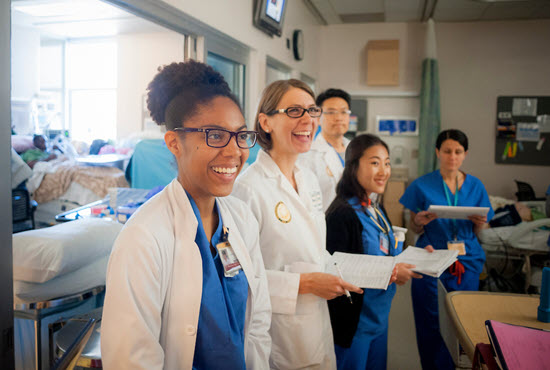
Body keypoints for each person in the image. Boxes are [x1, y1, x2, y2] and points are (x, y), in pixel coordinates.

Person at [101, 60, 271, 369]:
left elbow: (257, 321)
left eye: (240, 135)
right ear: (174, 143)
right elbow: (131, 359)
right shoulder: (144, 239)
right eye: (216, 136)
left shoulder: (241, 219)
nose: (234, 151)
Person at [232, 79, 362, 370]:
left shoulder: (308, 179)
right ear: (266, 122)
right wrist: (303, 284)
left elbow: (314, 250)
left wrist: (375, 272)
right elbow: (239, 278)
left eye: (311, 110)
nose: (308, 120)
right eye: (294, 111)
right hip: (278, 333)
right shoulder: (248, 189)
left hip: (315, 322)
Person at [399, 129, 494, 370]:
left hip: (467, 259)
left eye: (458, 152)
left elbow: (480, 230)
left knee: (461, 318)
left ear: (465, 154)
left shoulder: (476, 186)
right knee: (431, 318)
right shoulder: (421, 185)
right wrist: (419, 222)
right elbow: (414, 227)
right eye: (447, 151)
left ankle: (456, 364)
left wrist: (480, 224)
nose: (452, 156)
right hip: (432, 257)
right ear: (437, 152)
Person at [325, 134, 420, 370]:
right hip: (355, 324)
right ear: (354, 166)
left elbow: (384, 250)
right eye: (375, 162)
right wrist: (392, 272)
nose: (384, 171)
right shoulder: (342, 214)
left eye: (387, 163)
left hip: (379, 318)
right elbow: (338, 271)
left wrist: (418, 257)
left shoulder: (374, 207)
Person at [299, 88, 352, 211]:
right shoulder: (307, 155)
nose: (339, 118)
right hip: (326, 224)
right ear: (318, 118)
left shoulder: (357, 149)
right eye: (331, 112)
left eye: (344, 112)